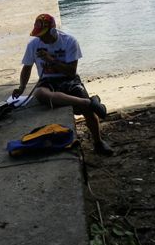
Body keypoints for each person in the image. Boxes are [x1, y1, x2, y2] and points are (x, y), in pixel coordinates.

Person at [12, 14, 114, 155]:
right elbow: (27, 67)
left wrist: (51, 60)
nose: (40, 38)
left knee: (87, 111)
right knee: (40, 93)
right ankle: (89, 102)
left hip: (68, 79)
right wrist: (21, 87)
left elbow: (71, 72)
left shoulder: (69, 42)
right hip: (47, 81)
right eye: (38, 35)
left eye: (43, 35)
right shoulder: (33, 45)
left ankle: (98, 142)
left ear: (53, 31)